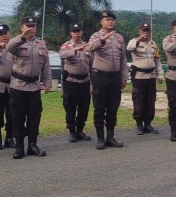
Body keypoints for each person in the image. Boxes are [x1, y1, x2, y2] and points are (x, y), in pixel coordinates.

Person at [6, 16, 52, 158]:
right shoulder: (17, 42)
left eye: (33, 26)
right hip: (18, 86)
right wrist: (22, 36)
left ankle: (32, 145)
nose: (31, 28)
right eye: (28, 26)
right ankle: (19, 146)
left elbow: (46, 64)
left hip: (34, 87)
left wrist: (47, 82)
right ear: (22, 27)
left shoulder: (41, 43)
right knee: (18, 117)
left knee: (34, 117)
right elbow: (8, 47)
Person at [87, 10, 128, 149]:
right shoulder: (96, 36)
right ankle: (100, 138)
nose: (110, 22)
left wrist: (124, 77)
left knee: (113, 107)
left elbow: (123, 59)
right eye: (107, 20)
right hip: (100, 77)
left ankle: (110, 137)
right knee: (99, 107)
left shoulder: (119, 38)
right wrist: (102, 39)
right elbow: (89, 48)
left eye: (112, 20)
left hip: (115, 77)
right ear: (101, 22)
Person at [126, 22, 163, 135]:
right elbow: (129, 48)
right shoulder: (134, 41)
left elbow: (157, 60)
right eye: (143, 30)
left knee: (150, 101)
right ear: (139, 31)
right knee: (139, 101)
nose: (146, 32)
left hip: (151, 76)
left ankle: (148, 124)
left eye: (147, 30)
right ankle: (139, 125)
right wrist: (139, 40)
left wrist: (160, 75)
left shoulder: (153, 44)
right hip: (139, 77)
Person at [58, 24, 92, 143]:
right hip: (71, 82)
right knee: (70, 107)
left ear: (82, 32)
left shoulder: (87, 45)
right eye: (74, 31)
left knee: (84, 107)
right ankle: (72, 131)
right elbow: (61, 54)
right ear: (71, 33)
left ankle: (80, 130)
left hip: (85, 81)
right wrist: (75, 50)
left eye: (78, 31)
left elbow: (91, 62)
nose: (77, 33)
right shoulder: (66, 45)